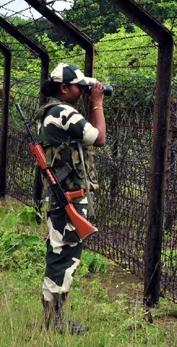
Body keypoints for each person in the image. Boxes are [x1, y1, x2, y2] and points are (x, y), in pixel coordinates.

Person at [34, 63, 106, 335]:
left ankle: (54, 317)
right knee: (65, 258)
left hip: (63, 195)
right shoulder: (63, 112)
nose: (83, 90)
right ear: (64, 88)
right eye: (79, 86)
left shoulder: (52, 112)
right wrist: (97, 103)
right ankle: (55, 321)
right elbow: (98, 138)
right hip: (70, 198)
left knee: (59, 254)